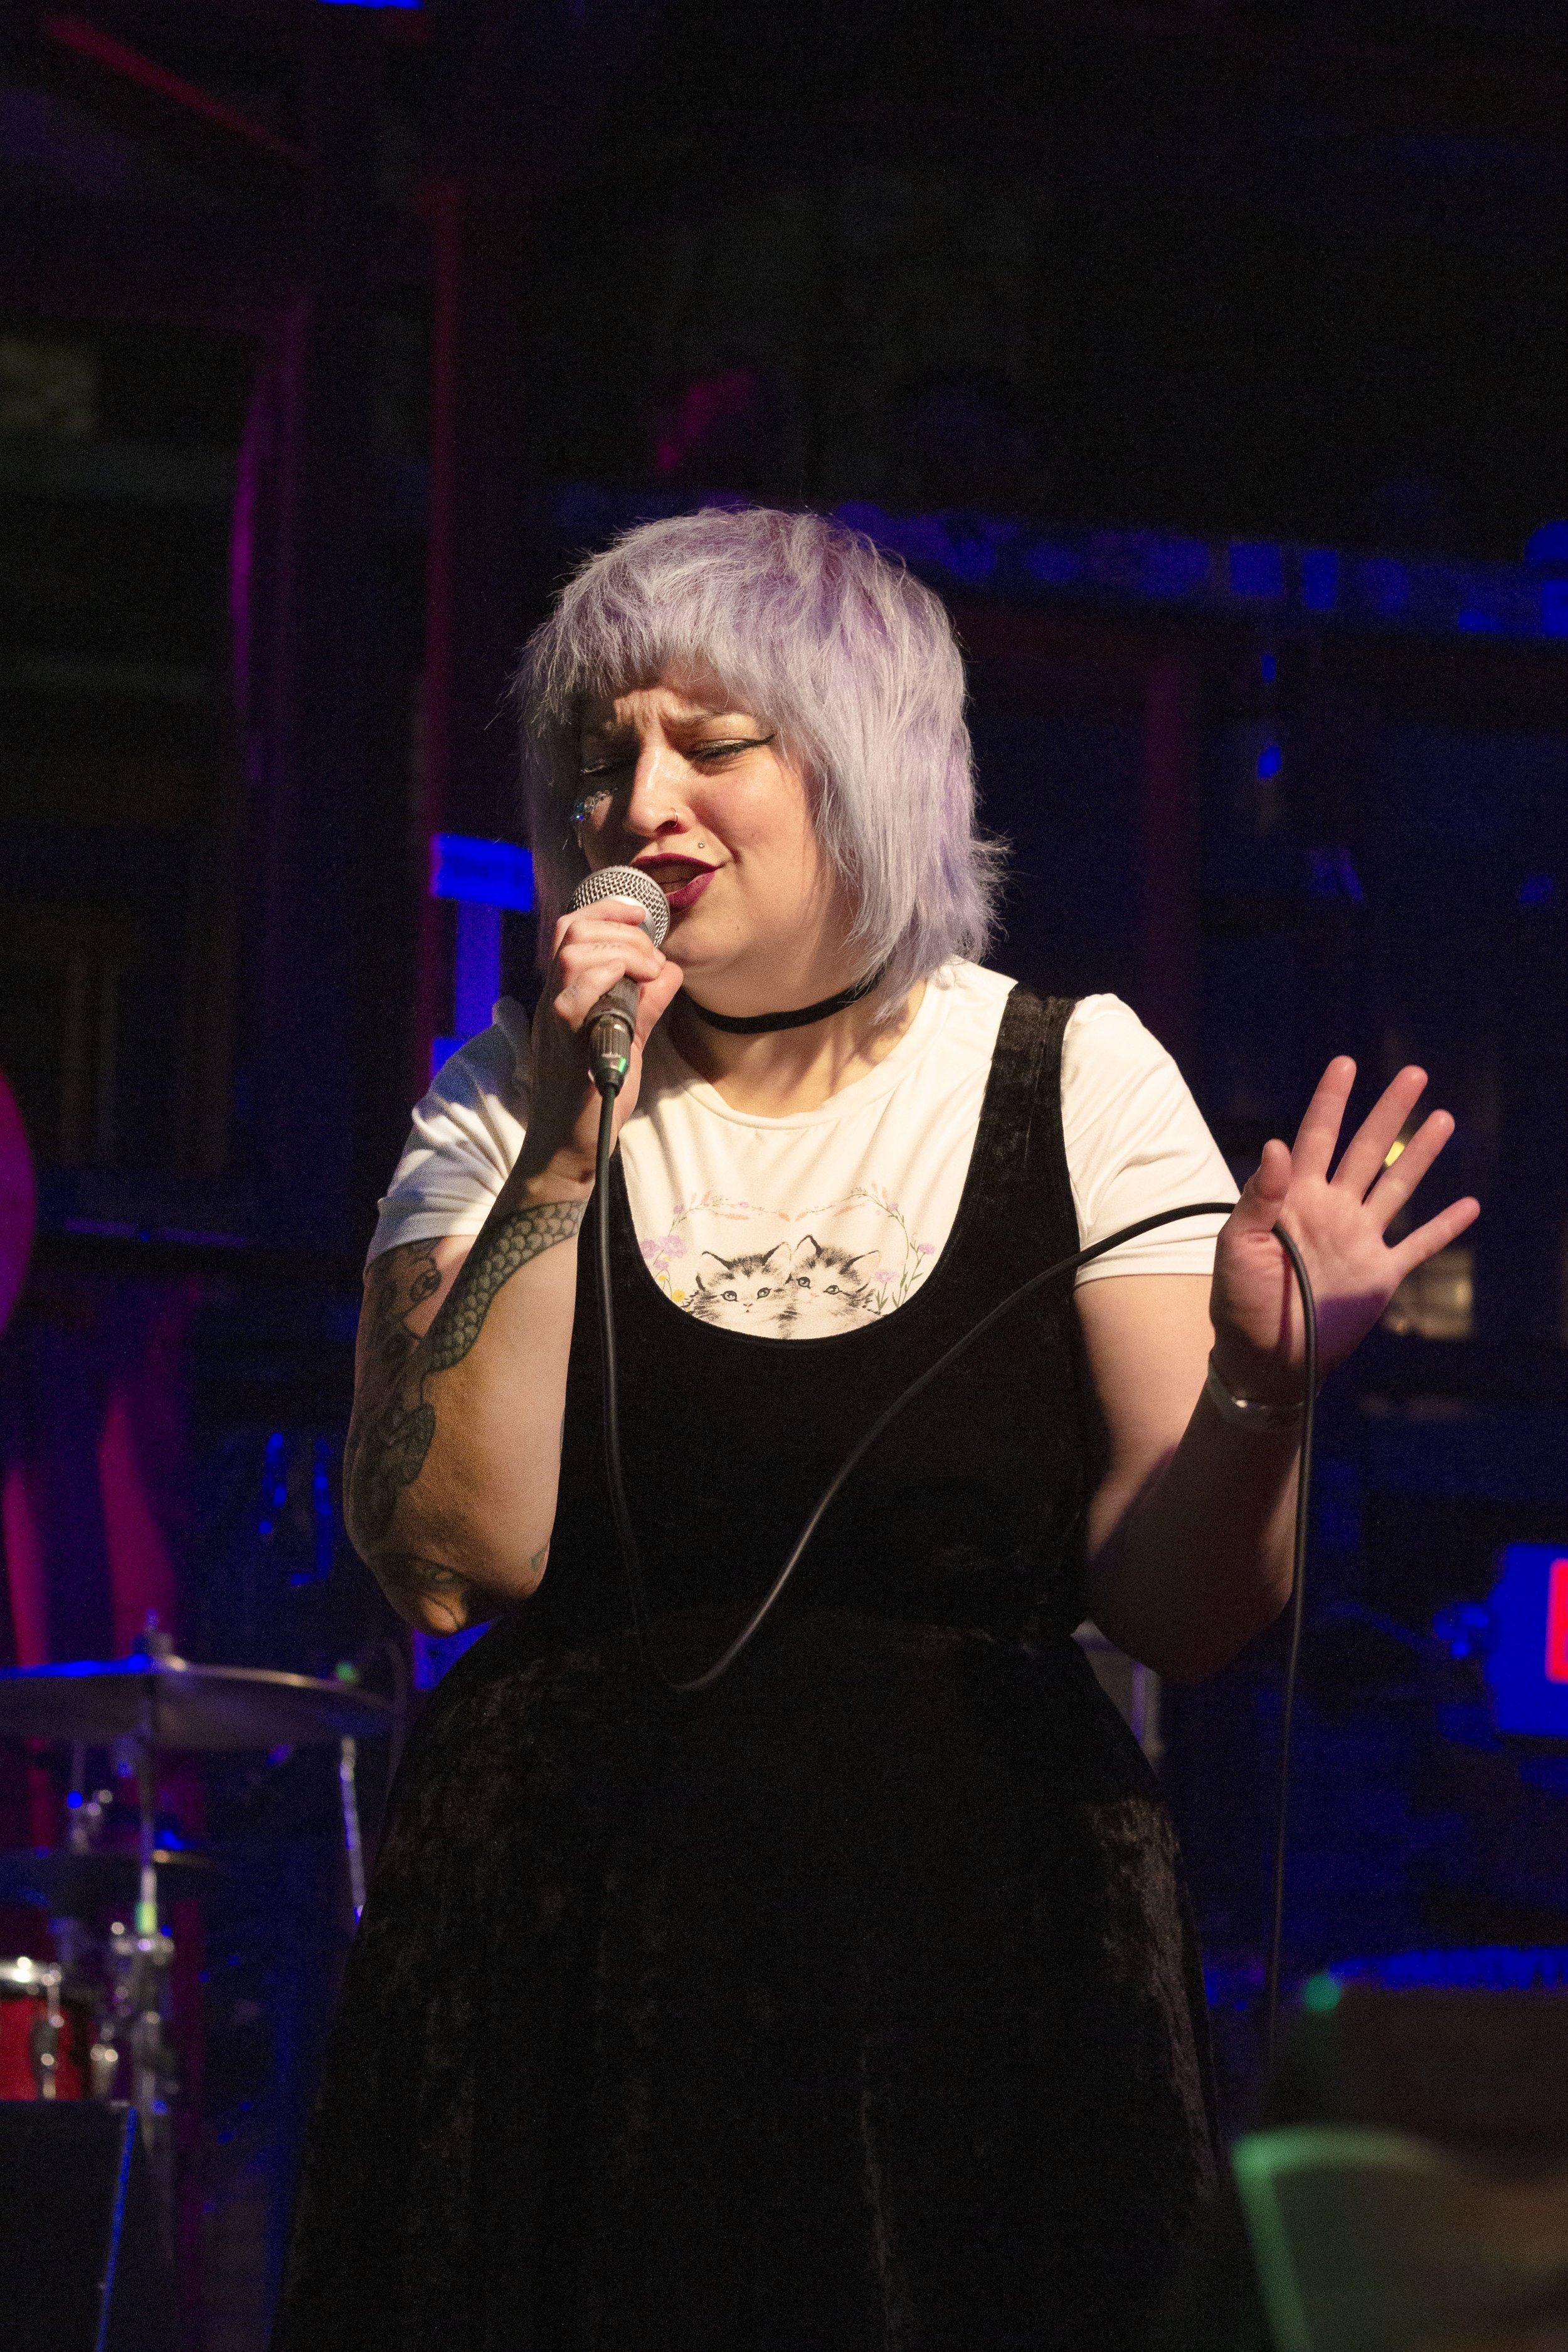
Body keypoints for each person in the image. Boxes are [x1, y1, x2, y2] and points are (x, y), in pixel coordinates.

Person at [273, 508, 1478, 2352]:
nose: (641, 804)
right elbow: (452, 1555)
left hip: (976, 1961)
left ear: (864, 762)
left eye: (711, 744)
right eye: (602, 761)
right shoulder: (503, 1096)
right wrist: (573, 1142)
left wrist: (1263, 1381)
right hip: (561, 1951)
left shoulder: (1069, 1073)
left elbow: (1184, 1612)